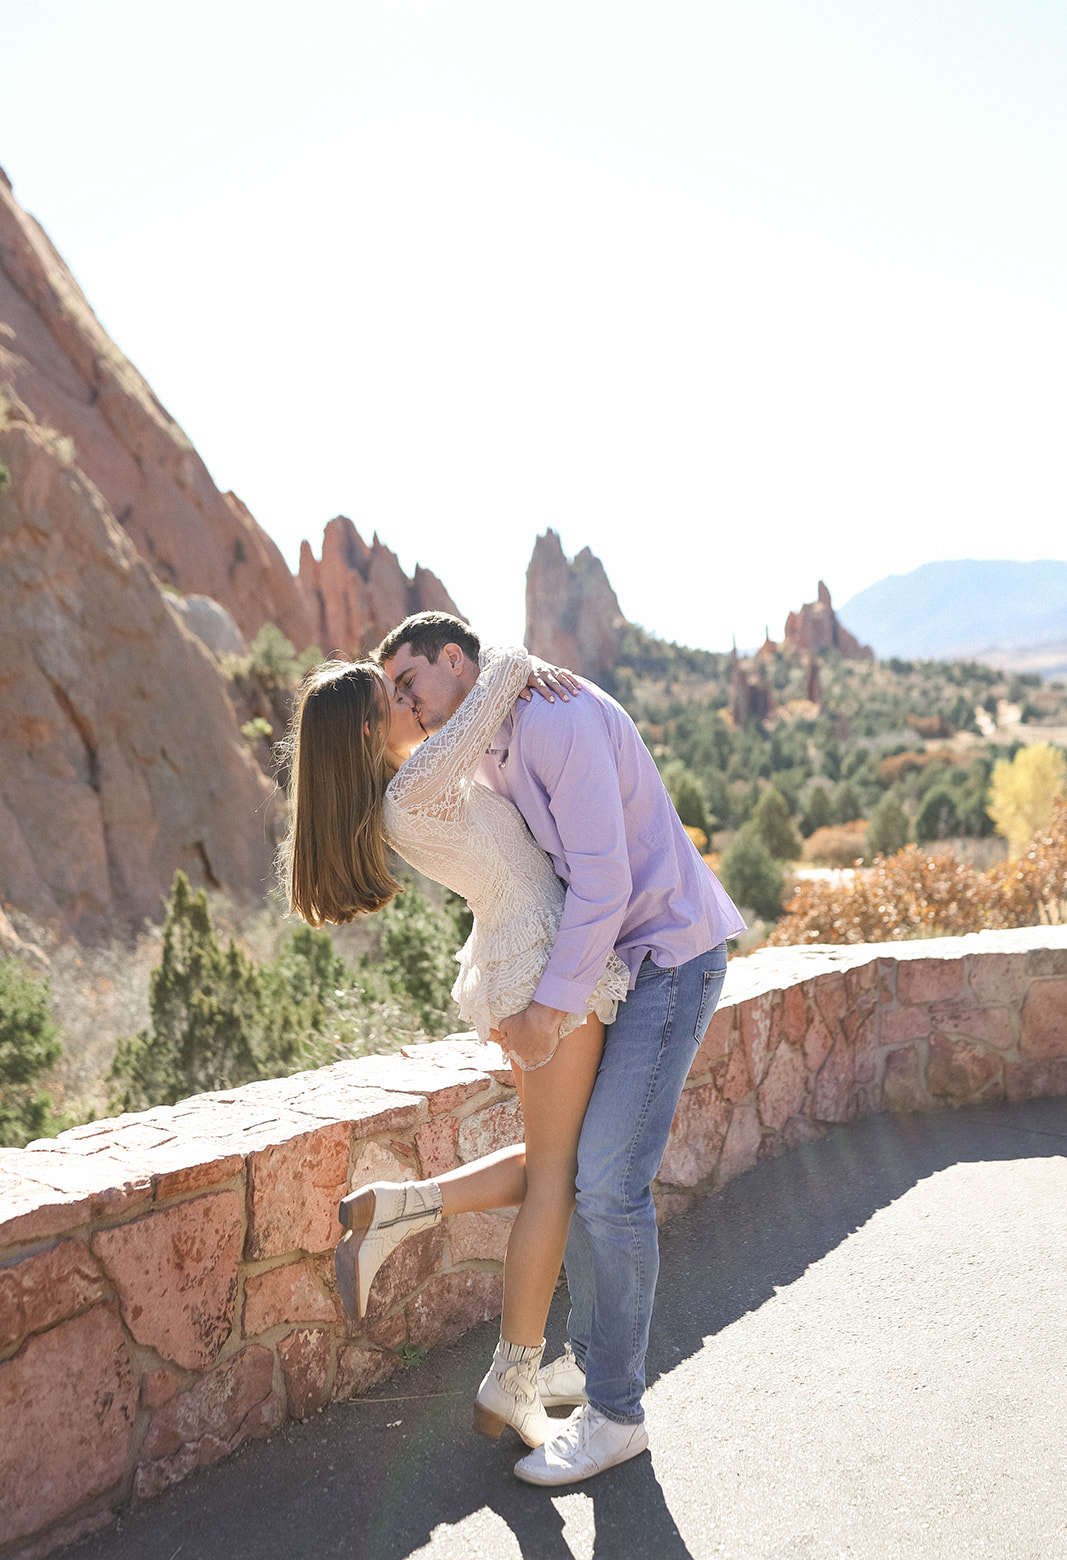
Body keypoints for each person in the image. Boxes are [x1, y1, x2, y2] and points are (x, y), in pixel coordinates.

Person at [378, 611, 744, 1488]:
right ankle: (589, 1362)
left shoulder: (554, 718)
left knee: (610, 1187)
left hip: (666, 955)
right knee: (580, 1170)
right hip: (620, 964)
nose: (405, 704)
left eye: (408, 684)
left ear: (455, 661)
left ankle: (617, 1415)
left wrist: (548, 1008)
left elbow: (606, 880)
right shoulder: (494, 730)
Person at [282, 630, 629, 1451]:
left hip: (520, 956)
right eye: (393, 699)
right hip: (539, 962)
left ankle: (397, 1210)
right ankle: (511, 1375)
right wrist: (516, 665)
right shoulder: (419, 784)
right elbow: (501, 673)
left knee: (556, 1165)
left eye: (405, 692)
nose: (412, 704)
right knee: (555, 1179)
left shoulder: (402, 791)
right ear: (368, 733)